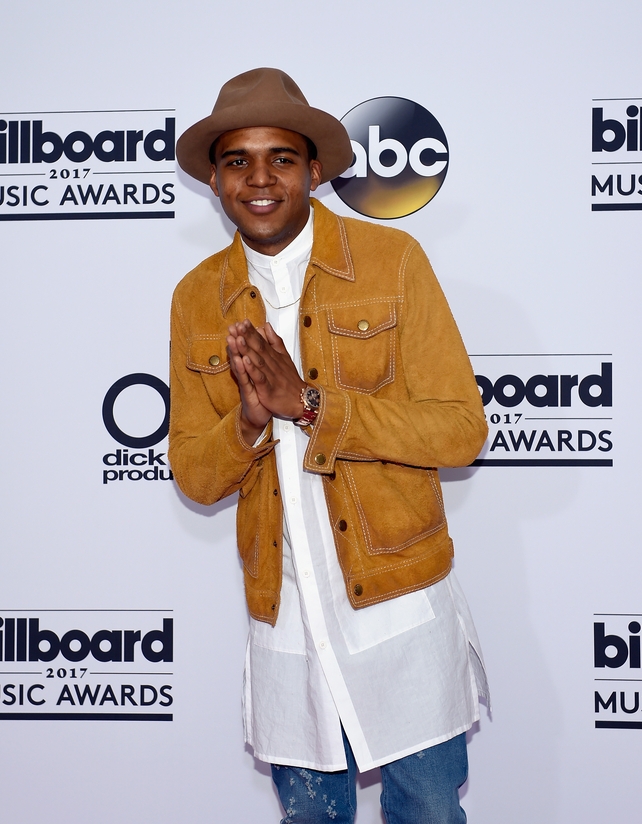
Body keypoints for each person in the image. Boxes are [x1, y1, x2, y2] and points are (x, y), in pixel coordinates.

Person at [170, 67, 489, 824]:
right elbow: (195, 472)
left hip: (398, 607)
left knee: (430, 813)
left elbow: (459, 428)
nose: (258, 178)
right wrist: (250, 419)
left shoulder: (393, 261)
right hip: (285, 617)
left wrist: (310, 405)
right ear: (215, 178)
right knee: (310, 817)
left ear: (315, 169)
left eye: (281, 157)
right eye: (236, 159)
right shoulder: (196, 296)